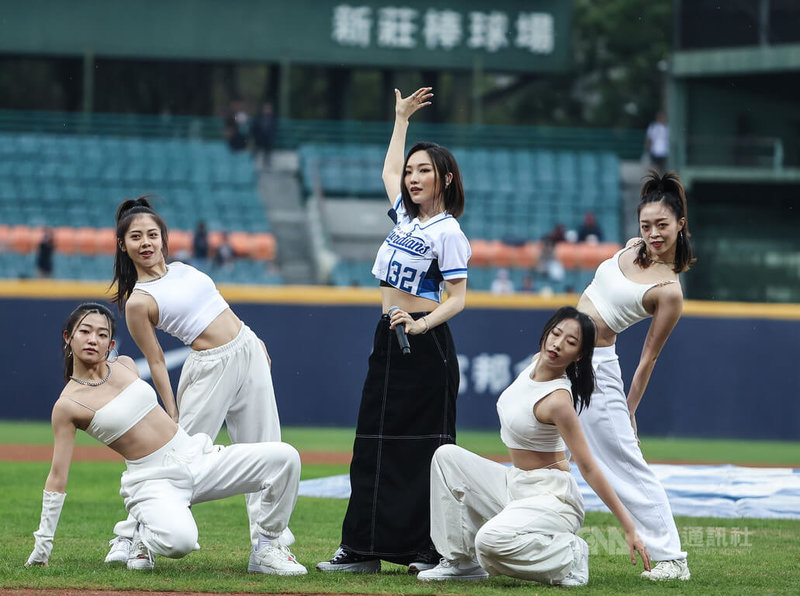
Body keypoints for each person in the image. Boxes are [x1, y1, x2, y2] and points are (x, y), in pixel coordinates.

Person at [25, 303, 305, 575]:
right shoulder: (68, 406)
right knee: (180, 543)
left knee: (285, 458)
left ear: (111, 345)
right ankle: (142, 536)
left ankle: (266, 547)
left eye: (102, 334)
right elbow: (57, 478)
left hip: (196, 455)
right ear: (68, 337)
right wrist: (42, 546)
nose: (93, 339)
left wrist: (248, 340)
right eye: (85, 331)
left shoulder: (124, 365)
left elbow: (159, 359)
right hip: (153, 480)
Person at [317, 87, 470, 574]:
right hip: (388, 337)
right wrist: (401, 120)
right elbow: (387, 172)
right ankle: (361, 549)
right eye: (412, 170)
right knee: (373, 442)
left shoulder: (449, 232)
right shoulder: (404, 217)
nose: (412, 176)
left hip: (425, 345)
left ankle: (428, 549)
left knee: (425, 450)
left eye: (424, 170)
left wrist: (420, 325)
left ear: (445, 178)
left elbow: (460, 299)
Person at [104, 197, 288, 565]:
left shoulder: (185, 269)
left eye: (153, 234)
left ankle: (267, 547)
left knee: (266, 449)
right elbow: (155, 360)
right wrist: (170, 409)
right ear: (123, 245)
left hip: (246, 349)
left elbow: (220, 308)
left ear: (164, 238)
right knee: (171, 460)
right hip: (208, 368)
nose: (146, 242)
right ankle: (134, 537)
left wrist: (252, 339)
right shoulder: (139, 301)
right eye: (136, 236)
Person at [417, 307, 650, 586]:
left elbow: (587, 466)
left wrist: (629, 527)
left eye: (571, 342)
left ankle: (570, 555)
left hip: (552, 497)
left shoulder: (558, 401)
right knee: (446, 457)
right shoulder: (535, 362)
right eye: (556, 333)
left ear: (578, 356)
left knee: (490, 543)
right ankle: (461, 562)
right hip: (516, 484)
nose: (557, 344)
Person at [576, 169, 695, 581]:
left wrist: (628, 410)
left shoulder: (669, 291)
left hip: (595, 368)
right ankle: (526, 541)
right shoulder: (631, 247)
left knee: (625, 461)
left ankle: (672, 558)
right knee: (531, 439)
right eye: (646, 225)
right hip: (560, 361)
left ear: (681, 224)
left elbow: (648, 358)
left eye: (662, 225)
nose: (653, 234)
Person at [251, 102, 276, 169]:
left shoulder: (272, 119)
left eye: (268, 109)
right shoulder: (258, 118)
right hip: (259, 139)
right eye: (266, 108)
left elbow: (273, 130)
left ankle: (267, 165)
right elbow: (254, 128)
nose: (267, 110)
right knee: (256, 152)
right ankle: (253, 164)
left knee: (267, 154)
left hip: (268, 140)